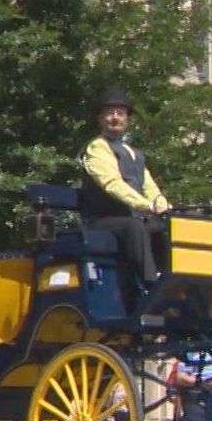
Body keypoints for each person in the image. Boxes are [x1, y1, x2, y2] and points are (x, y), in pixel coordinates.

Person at [79, 88, 171, 285]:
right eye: (110, 113)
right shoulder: (98, 147)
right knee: (135, 227)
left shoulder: (134, 153)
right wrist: (146, 206)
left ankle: (171, 279)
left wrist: (162, 205)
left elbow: (150, 186)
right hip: (101, 220)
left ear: (127, 119)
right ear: (100, 118)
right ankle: (150, 283)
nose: (115, 118)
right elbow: (112, 184)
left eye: (120, 113)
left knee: (167, 226)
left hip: (132, 216)